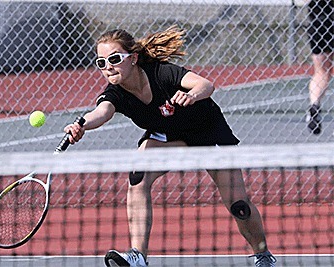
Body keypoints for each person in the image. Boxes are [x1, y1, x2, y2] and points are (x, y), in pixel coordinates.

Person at [64, 25, 276, 267]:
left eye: (114, 59)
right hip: (169, 137)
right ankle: (137, 256)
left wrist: (193, 95)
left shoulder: (161, 73)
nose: (108, 67)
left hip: (208, 133)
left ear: (132, 59)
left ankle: (263, 255)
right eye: (101, 63)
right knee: (138, 176)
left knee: (240, 207)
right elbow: (101, 113)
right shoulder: (116, 93)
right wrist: (81, 124)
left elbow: (206, 85)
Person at [306, 0, 333, 134]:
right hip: (323, 20)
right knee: (322, 71)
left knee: (321, 71)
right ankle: (314, 108)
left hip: (319, 22)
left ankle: (315, 104)